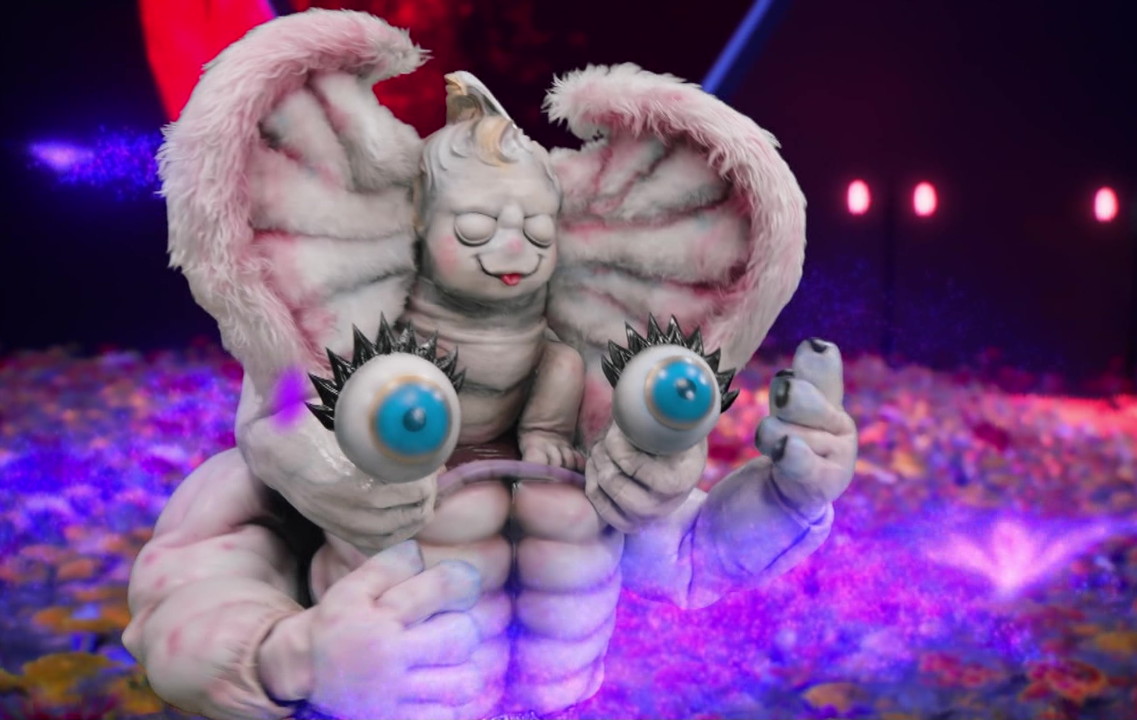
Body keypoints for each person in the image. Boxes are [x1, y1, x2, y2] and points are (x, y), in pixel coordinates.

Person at [124, 10, 858, 719]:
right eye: (477, 227)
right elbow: (179, 601)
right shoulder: (319, 443)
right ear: (407, 231)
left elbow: (694, 557)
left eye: (537, 230)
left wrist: (790, 493)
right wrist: (296, 658)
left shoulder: (585, 454)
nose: (514, 251)